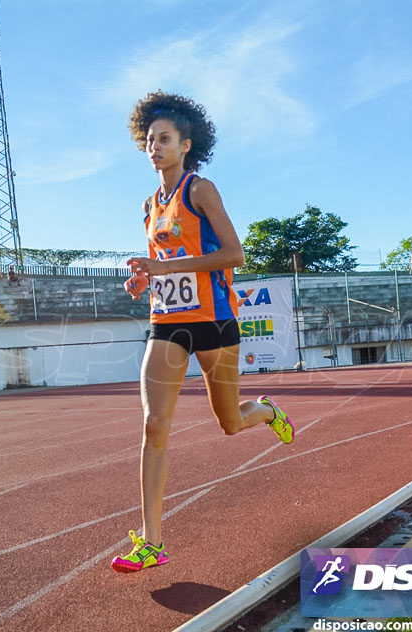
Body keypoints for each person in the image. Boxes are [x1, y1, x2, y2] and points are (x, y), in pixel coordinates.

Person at [111, 91, 294, 574]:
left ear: (185, 144)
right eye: (149, 140)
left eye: (165, 139)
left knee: (230, 422)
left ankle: (266, 411)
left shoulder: (200, 190)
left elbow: (234, 255)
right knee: (154, 425)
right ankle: (151, 541)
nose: (155, 147)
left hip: (213, 320)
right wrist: (144, 278)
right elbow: (163, 264)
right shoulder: (149, 206)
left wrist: (167, 267)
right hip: (167, 324)